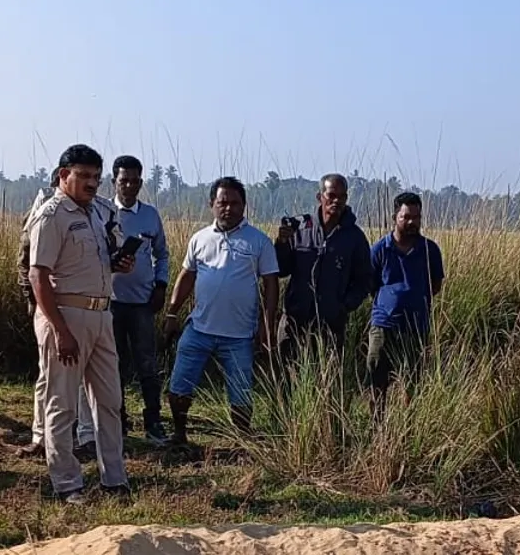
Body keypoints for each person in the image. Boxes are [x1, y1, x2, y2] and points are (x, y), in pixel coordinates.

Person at [27, 143, 134, 504]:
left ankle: (114, 478)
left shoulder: (98, 214)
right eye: (84, 176)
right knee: (63, 403)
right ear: (64, 176)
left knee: (109, 400)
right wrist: (60, 330)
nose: (92, 184)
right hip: (67, 315)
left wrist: (118, 264)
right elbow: (37, 276)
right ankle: (67, 483)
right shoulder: (52, 215)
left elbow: (98, 261)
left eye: (96, 177)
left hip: (102, 314)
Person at [163, 177, 279, 444]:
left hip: (239, 335)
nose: (229, 208)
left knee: (240, 393)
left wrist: (267, 324)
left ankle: (241, 440)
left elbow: (271, 285)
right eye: (222, 203)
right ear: (211, 205)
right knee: (180, 385)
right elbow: (186, 277)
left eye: (235, 203)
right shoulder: (199, 239)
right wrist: (171, 313)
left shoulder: (259, 241)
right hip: (199, 328)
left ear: (244, 206)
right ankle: (179, 435)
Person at [16, 168, 97, 459]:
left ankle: (87, 436)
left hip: (84, 308)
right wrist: (32, 300)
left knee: (84, 378)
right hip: (50, 308)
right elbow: (26, 263)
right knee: (48, 377)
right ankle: (42, 437)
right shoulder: (43, 215)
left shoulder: (93, 214)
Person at [271, 173, 373, 379]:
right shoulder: (300, 228)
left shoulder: (354, 237)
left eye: (342, 197)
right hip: (294, 320)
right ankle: (283, 412)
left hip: (330, 324)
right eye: (331, 195)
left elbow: (364, 280)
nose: (337, 201)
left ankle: (320, 413)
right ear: (320, 197)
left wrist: (344, 306)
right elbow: (281, 270)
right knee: (285, 379)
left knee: (327, 381)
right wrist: (281, 243)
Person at [108, 155, 170, 445]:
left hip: (143, 302)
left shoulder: (150, 215)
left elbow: (162, 253)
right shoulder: (104, 214)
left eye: (135, 181)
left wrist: (161, 285)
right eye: (124, 181)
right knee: (113, 363)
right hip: (110, 302)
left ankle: (154, 421)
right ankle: (117, 419)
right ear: (114, 182)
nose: (130, 186)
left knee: (147, 363)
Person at [367, 191, 445, 418]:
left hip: (417, 326)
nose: (412, 222)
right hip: (384, 325)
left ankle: (408, 426)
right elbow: (370, 284)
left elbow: (436, 284)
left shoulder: (430, 250)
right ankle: (377, 426)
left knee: (413, 381)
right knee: (377, 379)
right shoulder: (380, 248)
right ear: (395, 217)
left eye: (416, 217)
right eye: (406, 217)